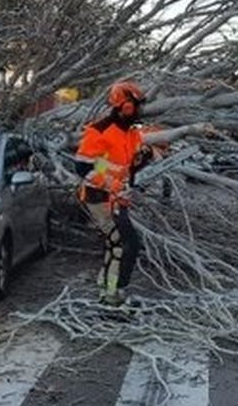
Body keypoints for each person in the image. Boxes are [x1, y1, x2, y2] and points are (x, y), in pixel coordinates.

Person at [76, 81, 155, 308]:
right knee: (121, 244)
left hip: (118, 197)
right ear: (125, 106)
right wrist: (110, 179)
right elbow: (84, 166)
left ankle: (109, 287)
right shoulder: (100, 130)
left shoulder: (131, 133)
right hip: (98, 196)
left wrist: (143, 159)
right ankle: (111, 295)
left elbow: (128, 165)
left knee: (123, 244)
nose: (140, 110)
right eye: (136, 106)